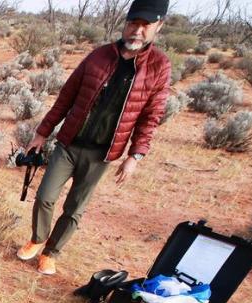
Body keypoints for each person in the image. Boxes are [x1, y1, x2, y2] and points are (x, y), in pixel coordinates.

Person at [17, 0, 172, 276]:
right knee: (44, 196)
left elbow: (151, 116)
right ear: (125, 24)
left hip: (102, 153)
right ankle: (38, 238)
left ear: (158, 27)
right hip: (69, 143)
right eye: (133, 23)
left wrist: (135, 156)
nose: (137, 31)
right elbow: (66, 96)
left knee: (75, 207)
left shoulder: (159, 66)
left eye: (145, 26)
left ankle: (51, 253)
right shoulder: (99, 56)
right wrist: (42, 133)